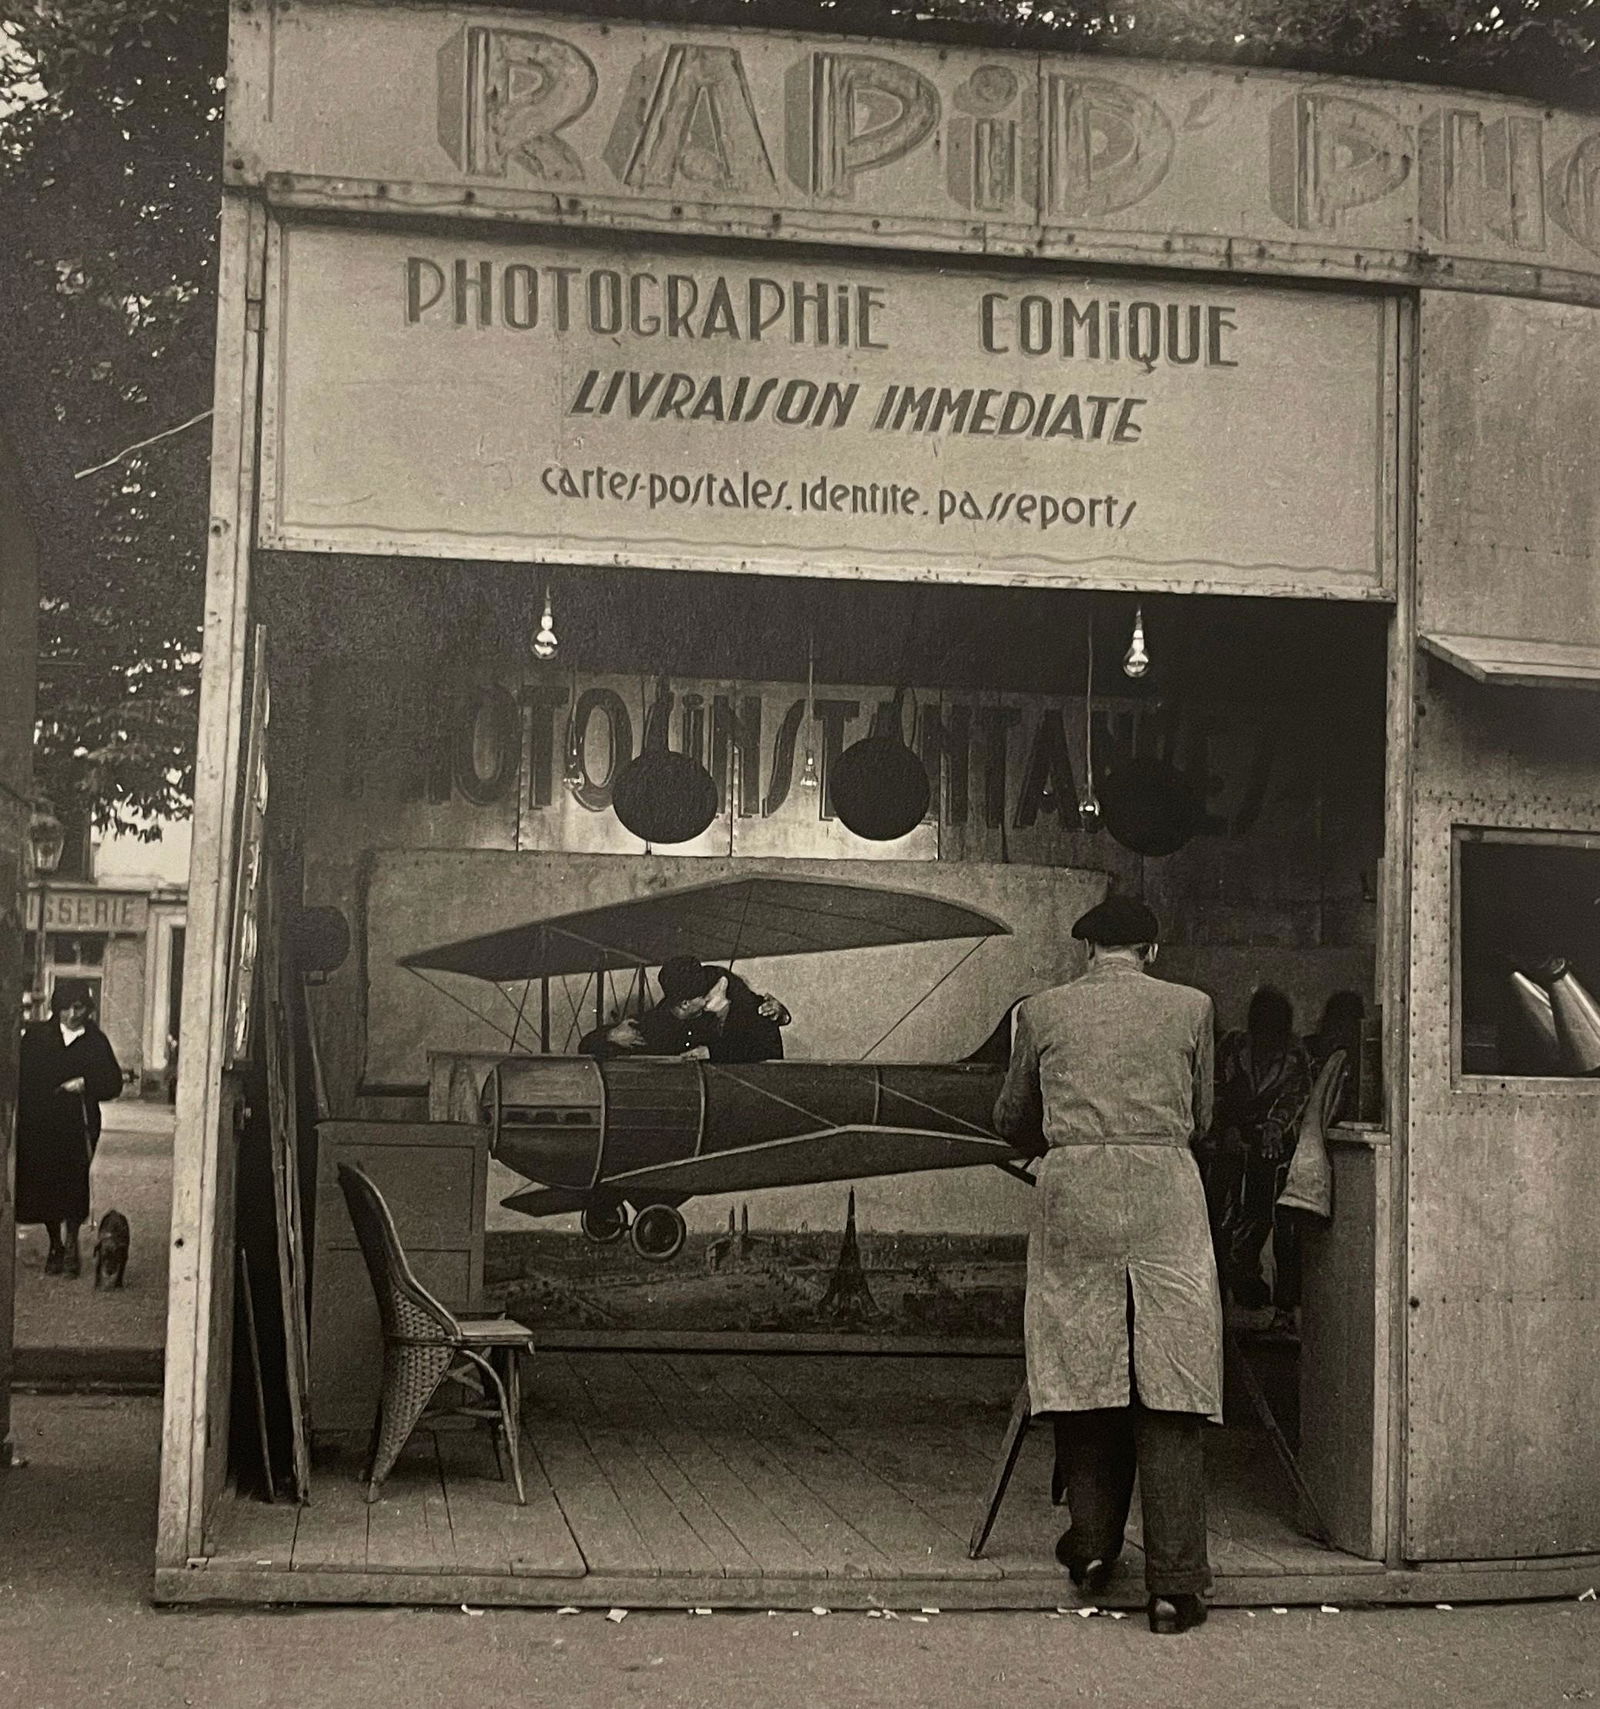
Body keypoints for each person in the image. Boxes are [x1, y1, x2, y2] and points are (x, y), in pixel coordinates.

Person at [993, 896, 1220, 1637]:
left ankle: (1092, 1550)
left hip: (1076, 1193)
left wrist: (1068, 1140)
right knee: (1173, 1381)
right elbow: (1206, 1115)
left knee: (1083, 1367)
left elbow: (1011, 1117)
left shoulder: (1043, 1010)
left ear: (1088, 949)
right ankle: (1174, 1589)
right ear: (1151, 950)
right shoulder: (1193, 1007)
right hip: (1165, 1194)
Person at [1207, 986, 1314, 1324]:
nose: (1266, 1043)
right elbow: (1215, 1091)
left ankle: (1260, 1294)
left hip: (1271, 1151)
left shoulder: (1295, 1058)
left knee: (1264, 1218)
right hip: (1228, 1144)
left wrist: (1273, 1128)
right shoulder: (1233, 1048)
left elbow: (1294, 1100)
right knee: (1219, 1218)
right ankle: (1224, 1298)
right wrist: (1228, 1129)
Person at [16, 979, 124, 1278]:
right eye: (67, 1008)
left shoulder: (95, 1040)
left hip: (79, 1123)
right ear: (57, 1008)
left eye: (79, 1007)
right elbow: (20, 1076)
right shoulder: (37, 1037)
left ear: (88, 1009)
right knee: (45, 1183)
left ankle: (73, 1242)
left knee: (74, 1181)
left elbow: (113, 1083)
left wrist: (86, 1084)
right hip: (40, 1122)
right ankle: (55, 1245)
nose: (73, 1014)